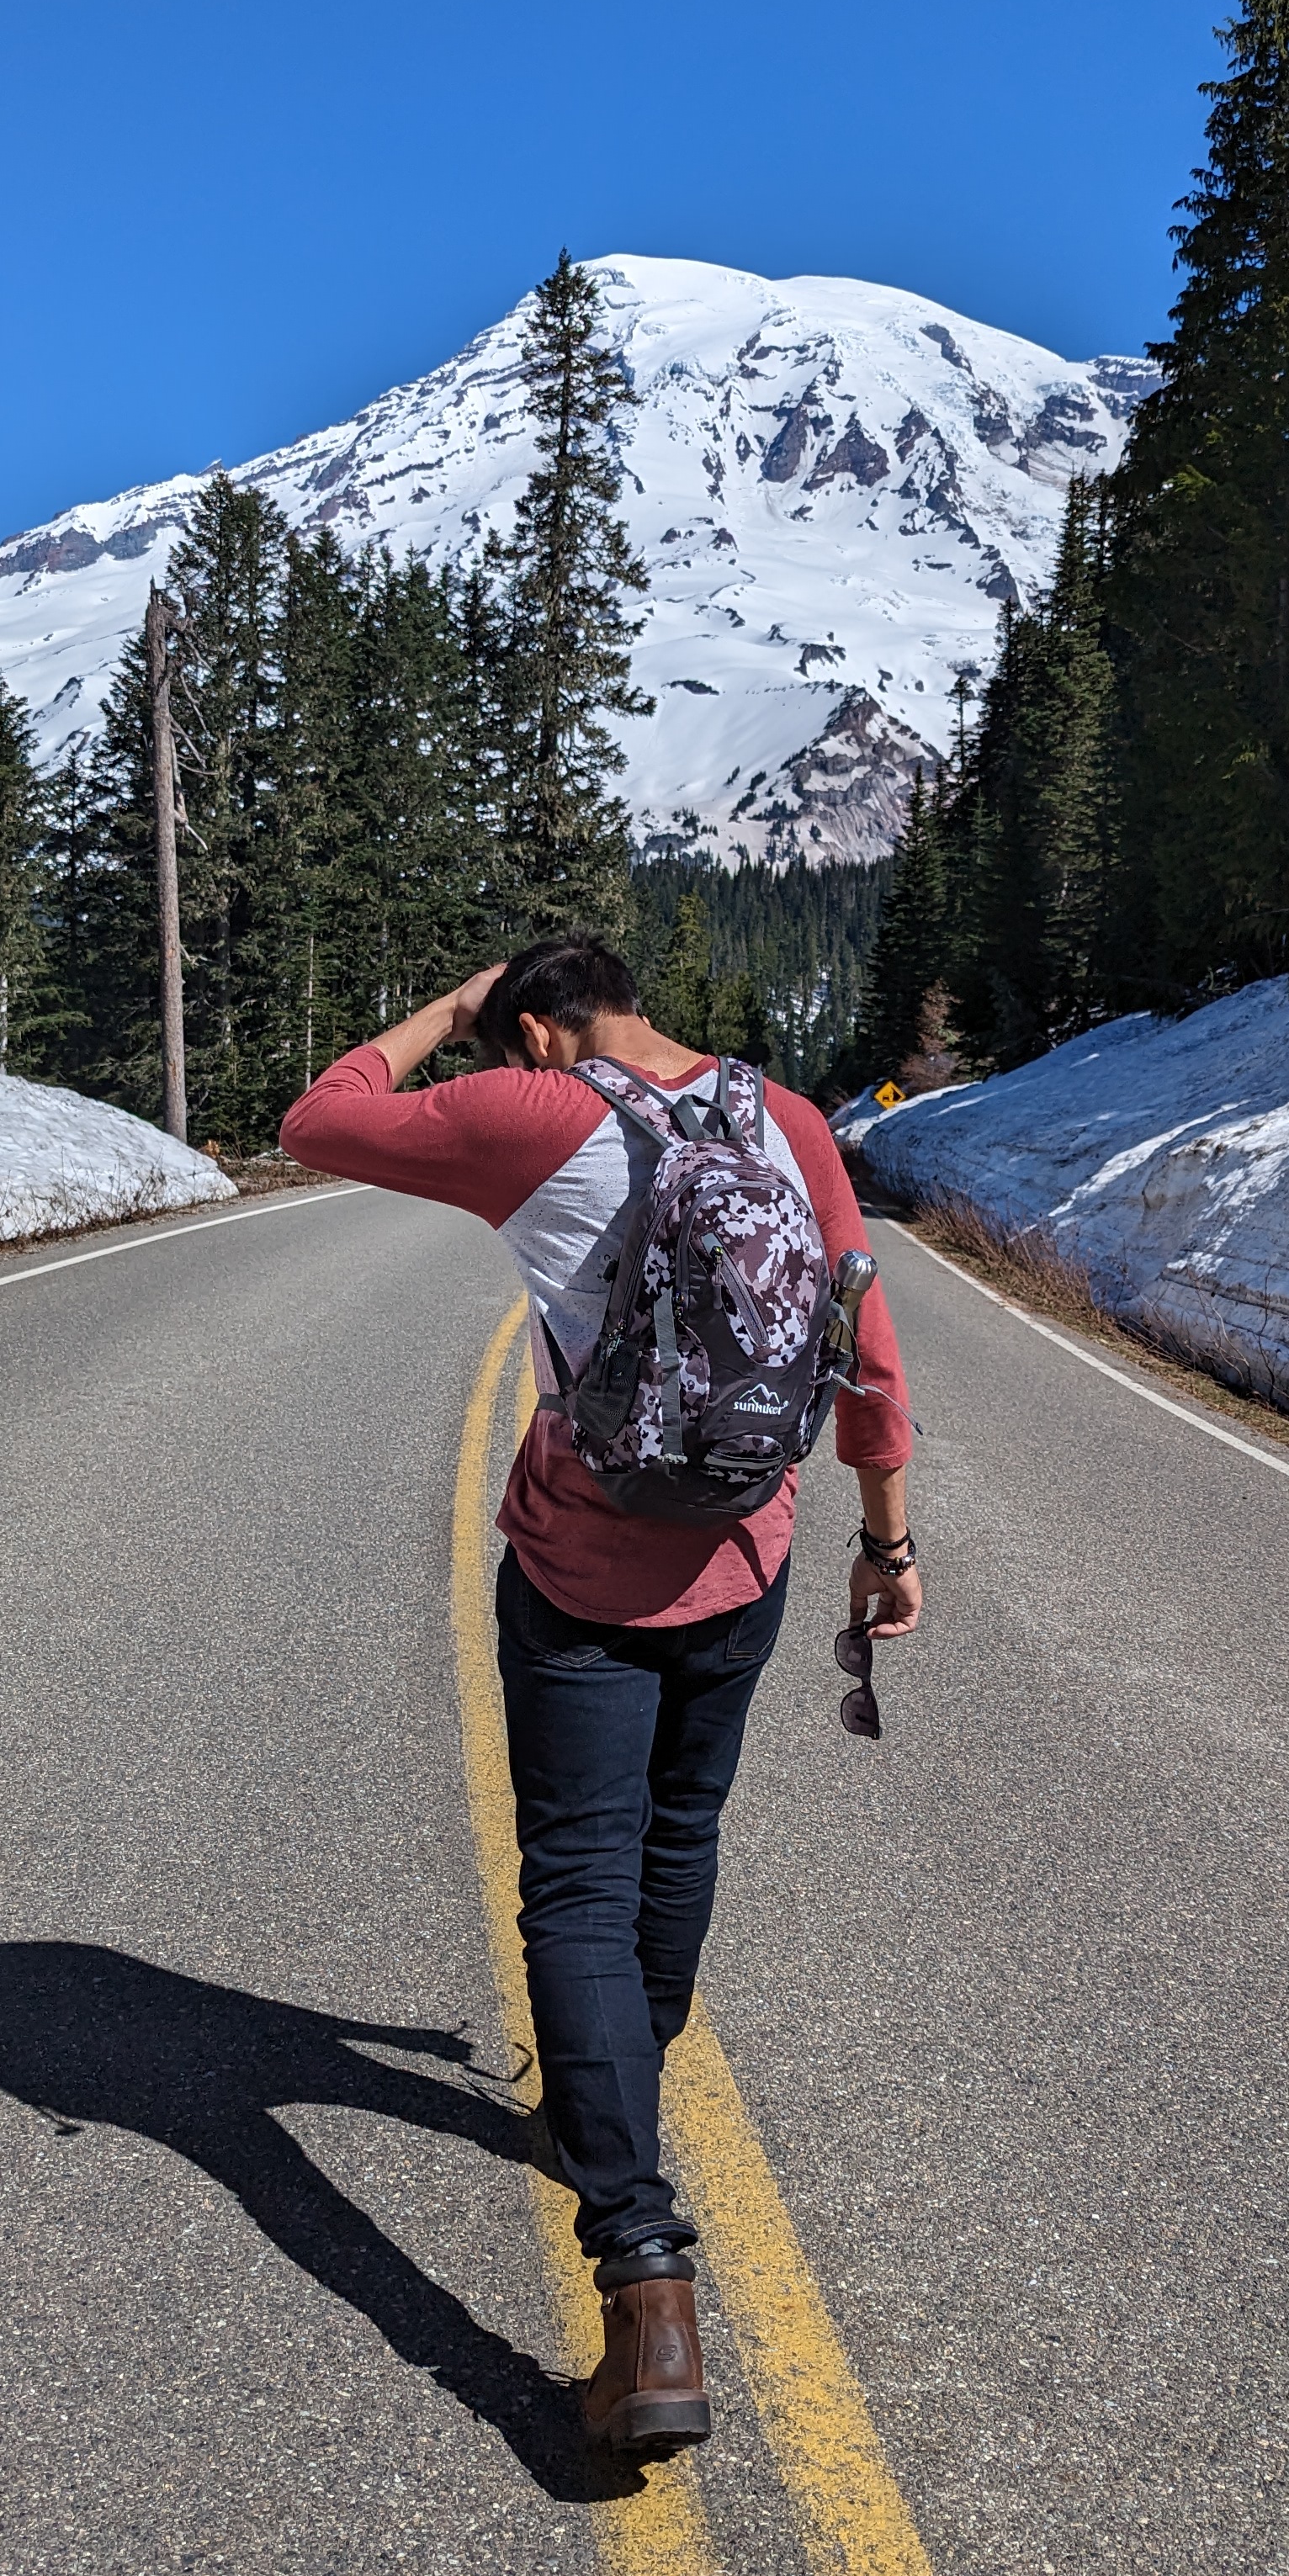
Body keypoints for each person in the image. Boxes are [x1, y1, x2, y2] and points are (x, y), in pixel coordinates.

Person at [280, 930, 920, 2453]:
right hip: (748, 1551)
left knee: (572, 1880)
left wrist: (449, 1003)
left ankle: (644, 2282)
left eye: (507, 1039)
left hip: (584, 1566)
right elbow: (870, 1353)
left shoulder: (537, 1110)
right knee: (679, 1834)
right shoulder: (790, 1121)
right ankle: (619, 2077)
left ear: (544, 1037)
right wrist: (887, 1548)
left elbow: (319, 1116)